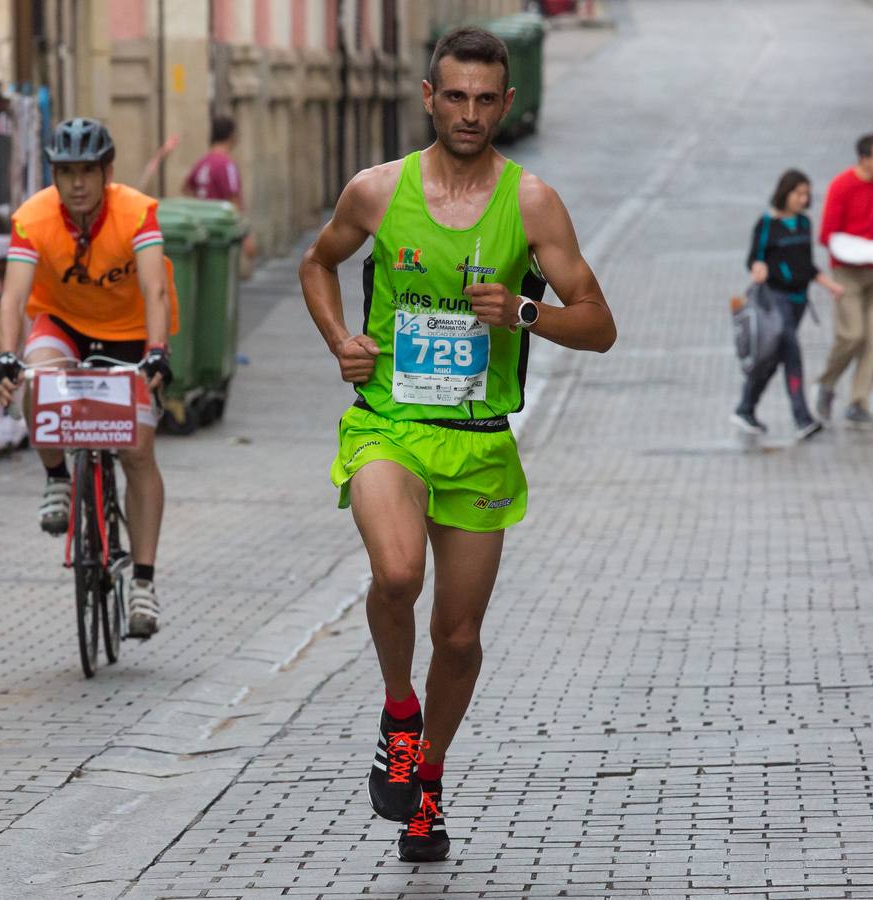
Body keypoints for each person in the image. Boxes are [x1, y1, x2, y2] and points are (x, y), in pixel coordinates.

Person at [299, 26, 616, 863]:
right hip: (389, 425)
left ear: (505, 104)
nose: (469, 113)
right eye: (455, 97)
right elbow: (316, 264)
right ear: (428, 97)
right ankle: (397, 712)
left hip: (477, 439)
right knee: (396, 573)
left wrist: (520, 312)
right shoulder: (375, 191)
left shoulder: (533, 203)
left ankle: (426, 781)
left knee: (461, 637)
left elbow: (598, 324)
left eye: (485, 99)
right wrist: (340, 340)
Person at [0, 118, 175, 638]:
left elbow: (155, 290)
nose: (76, 184)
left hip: (131, 331)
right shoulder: (33, 218)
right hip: (64, 324)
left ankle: (142, 583)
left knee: (138, 452)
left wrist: (157, 352)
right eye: (65, 172)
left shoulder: (137, 213)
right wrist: (5, 357)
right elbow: (11, 297)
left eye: (87, 172)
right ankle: (56, 478)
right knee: (35, 377)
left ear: (106, 172)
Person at [732, 169, 846, 440]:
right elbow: (754, 258)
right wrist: (757, 268)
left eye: (807, 194)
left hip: (799, 300)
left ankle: (745, 408)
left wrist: (829, 285)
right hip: (775, 299)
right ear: (785, 193)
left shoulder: (804, 224)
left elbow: (806, 265)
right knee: (792, 353)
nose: (803, 199)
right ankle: (802, 419)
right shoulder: (767, 224)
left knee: (772, 359)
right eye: (798, 193)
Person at [814, 133, 873, 431]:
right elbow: (827, 234)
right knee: (852, 335)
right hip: (847, 271)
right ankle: (827, 382)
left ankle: (859, 402)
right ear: (864, 159)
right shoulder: (843, 186)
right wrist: (859, 249)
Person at [183, 115, 257, 260]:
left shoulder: (202, 162)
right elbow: (233, 198)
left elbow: (187, 188)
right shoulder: (227, 164)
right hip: (220, 234)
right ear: (231, 136)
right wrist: (246, 235)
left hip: (202, 230)